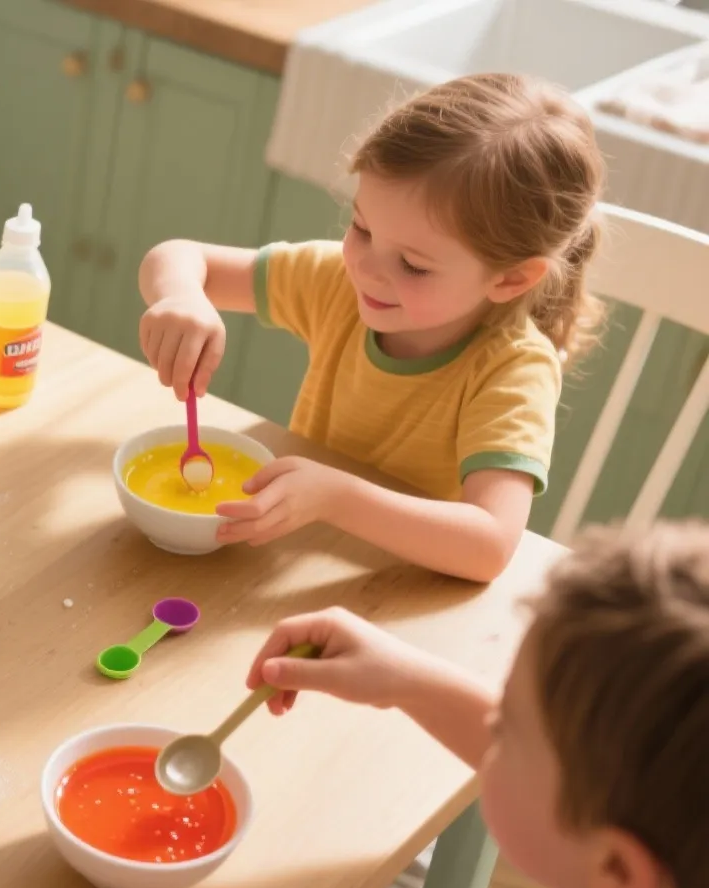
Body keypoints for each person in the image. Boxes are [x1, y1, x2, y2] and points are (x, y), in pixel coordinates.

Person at [68, 524, 709, 888]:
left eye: (505, 730)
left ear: (619, 869)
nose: (488, 727)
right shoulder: (662, 885)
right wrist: (405, 679)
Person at [136, 73, 605, 584]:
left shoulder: (513, 369)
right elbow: (178, 256)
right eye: (361, 228)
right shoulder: (338, 281)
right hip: (293, 556)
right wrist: (180, 295)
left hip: (393, 593)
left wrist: (336, 498)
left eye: (414, 265)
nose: (368, 267)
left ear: (511, 277)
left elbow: (488, 546)